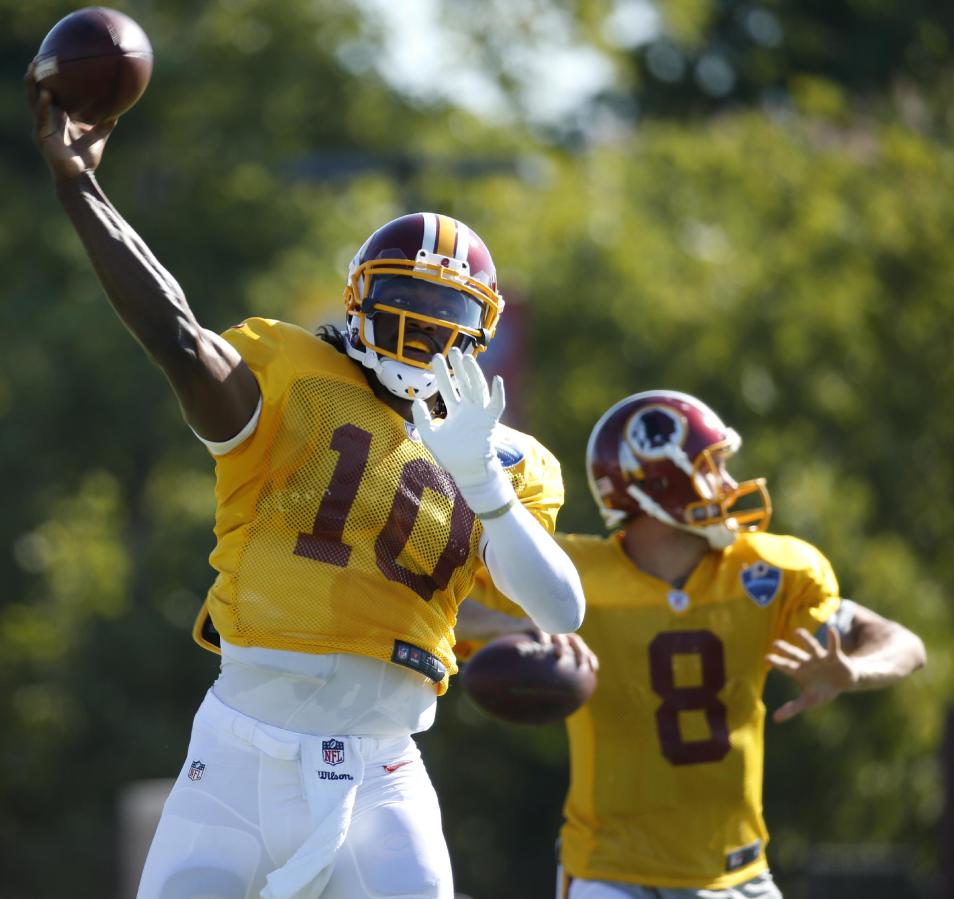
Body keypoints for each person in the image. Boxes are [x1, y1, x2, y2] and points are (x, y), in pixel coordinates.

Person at [26, 66, 585, 899]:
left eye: (447, 316)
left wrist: (482, 481)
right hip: (239, 757)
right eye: (403, 301)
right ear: (359, 299)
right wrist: (80, 187)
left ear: (480, 335)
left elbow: (562, 609)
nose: (423, 330)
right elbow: (177, 335)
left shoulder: (509, 460)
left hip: (383, 774)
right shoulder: (294, 374)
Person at [463, 389, 926, 899]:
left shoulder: (767, 572)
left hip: (735, 873)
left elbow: (902, 643)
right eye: (713, 468)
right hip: (610, 871)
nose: (729, 484)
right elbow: (440, 612)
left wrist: (854, 672)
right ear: (658, 485)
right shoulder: (571, 580)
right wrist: (524, 626)